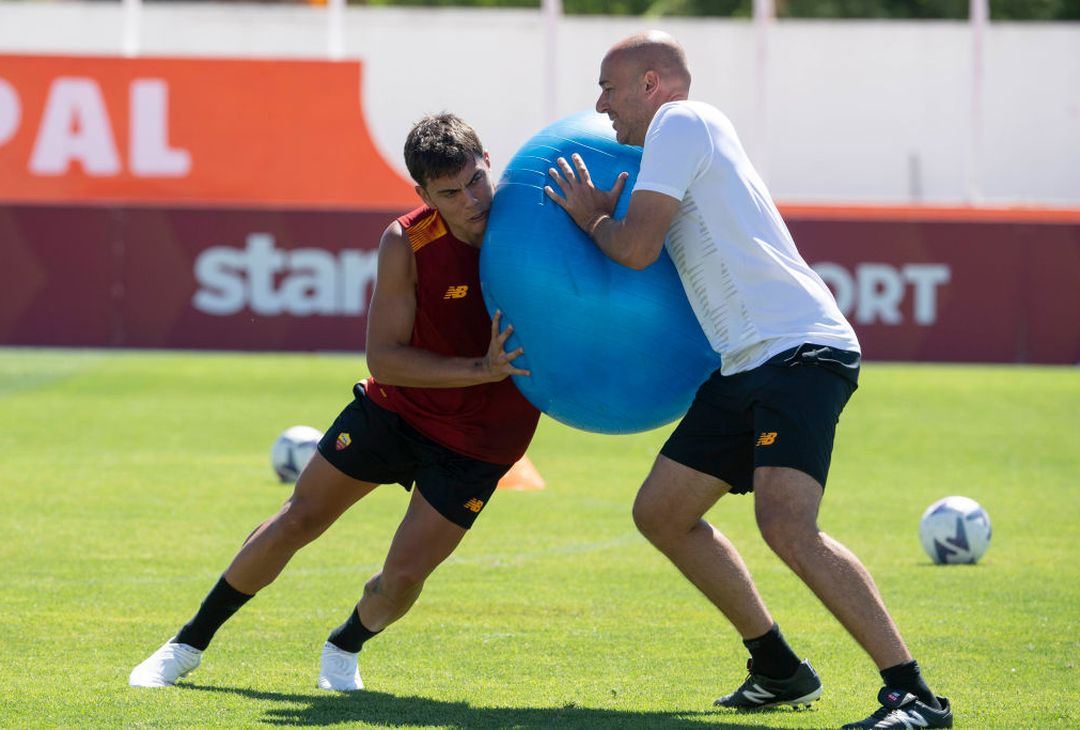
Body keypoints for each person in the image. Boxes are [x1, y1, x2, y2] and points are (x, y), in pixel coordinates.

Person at [544, 31, 952, 730]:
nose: (599, 104)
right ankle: (777, 668)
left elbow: (636, 248)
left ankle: (913, 694)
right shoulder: (676, 139)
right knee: (661, 513)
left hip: (798, 350)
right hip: (745, 364)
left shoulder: (681, 120)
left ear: (651, 84)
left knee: (787, 525)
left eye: (609, 87)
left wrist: (593, 219)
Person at [129, 113, 540, 691]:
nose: (472, 200)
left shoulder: (532, 225)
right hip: (397, 412)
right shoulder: (408, 240)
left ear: (488, 162)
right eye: (450, 192)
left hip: (483, 441)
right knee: (298, 518)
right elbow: (385, 360)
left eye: (475, 180)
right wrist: (484, 369)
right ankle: (186, 645)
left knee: (401, 579)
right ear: (423, 195)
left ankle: (343, 647)